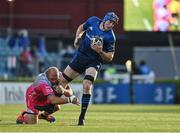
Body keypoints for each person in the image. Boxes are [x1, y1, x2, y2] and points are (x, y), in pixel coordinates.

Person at [59, 12, 119, 125]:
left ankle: (82, 117)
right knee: (62, 81)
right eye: (110, 22)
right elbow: (81, 27)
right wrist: (78, 37)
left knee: (87, 85)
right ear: (105, 19)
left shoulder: (111, 37)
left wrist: (100, 51)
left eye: (113, 24)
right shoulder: (93, 21)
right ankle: (48, 109)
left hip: (94, 61)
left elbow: (110, 57)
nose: (111, 25)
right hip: (81, 56)